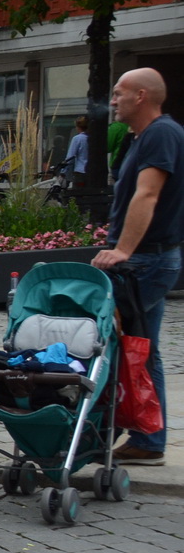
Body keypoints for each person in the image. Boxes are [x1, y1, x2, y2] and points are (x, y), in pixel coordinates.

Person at [95, 67, 182, 465]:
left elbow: (147, 195)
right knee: (145, 352)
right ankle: (149, 440)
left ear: (141, 96)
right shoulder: (146, 136)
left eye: (119, 93)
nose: (113, 100)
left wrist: (123, 250)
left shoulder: (161, 134)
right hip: (150, 257)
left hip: (145, 259)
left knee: (108, 345)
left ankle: (95, 433)